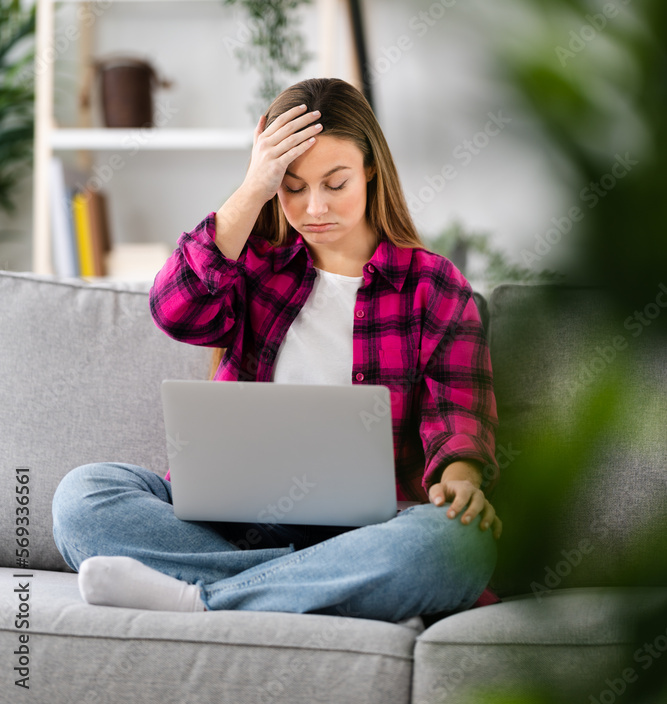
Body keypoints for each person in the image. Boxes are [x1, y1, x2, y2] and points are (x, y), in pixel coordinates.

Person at [52, 76, 502, 622]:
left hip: (371, 533)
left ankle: (201, 597)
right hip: (231, 526)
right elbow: (174, 308)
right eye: (291, 186)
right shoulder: (255, 267)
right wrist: (250, 189)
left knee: (458, 544)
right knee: (83, 496)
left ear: (370, 171)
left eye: (335, 183)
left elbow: (456, 417)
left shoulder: (434, 286)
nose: (315, 207)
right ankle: (316, 587)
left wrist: (460, 486)